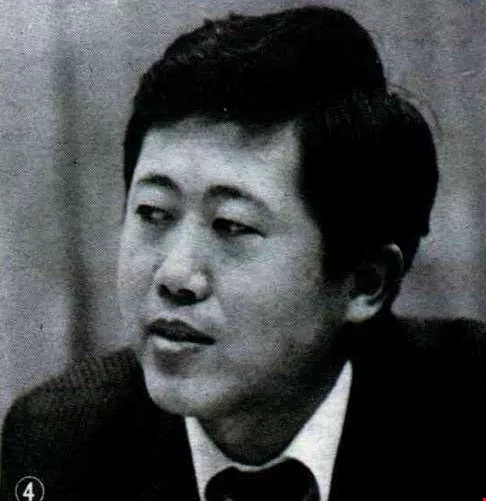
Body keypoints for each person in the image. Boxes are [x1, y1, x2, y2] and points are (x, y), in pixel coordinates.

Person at [1, 5, 485, 501]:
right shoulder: (61, 444)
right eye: (153, 213)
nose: (175, 275)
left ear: (364, 283)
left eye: (231, 226)